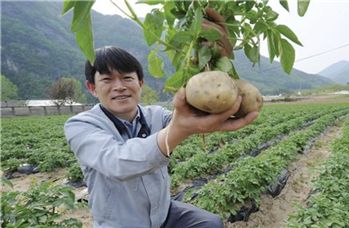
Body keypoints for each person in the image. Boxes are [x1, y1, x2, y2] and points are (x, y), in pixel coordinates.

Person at [64, 9, 258, 228]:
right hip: (123, 224)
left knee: (210, 224)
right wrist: (177, 131)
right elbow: (117, 162)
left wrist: (216, 54)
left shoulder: (155, 115)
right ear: (92, 88)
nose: (119, 87)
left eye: (127, 78)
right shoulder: (81, 125)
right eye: (107, 80)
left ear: (140, 83)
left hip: (163, 214)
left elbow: (194, 113)